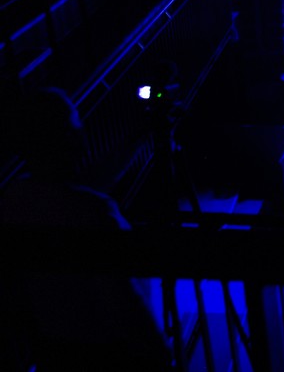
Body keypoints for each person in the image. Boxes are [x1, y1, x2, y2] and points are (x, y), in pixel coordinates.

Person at [1, 88, 172, 372]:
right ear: (68, 137)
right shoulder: (94, 212)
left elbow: (80, 187)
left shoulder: (14, 198)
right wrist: (161, 353)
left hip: (54, 348)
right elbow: (125, 303)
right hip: (111, 351)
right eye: (75, 122)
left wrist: (140, 135)